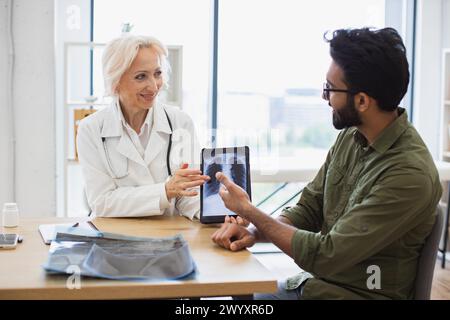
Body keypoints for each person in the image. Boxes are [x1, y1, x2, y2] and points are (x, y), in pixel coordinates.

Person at [211, 27, 443, 299]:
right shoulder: (351, 136)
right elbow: (309, 207)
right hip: (316, 287)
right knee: (240, 295)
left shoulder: (408, 175)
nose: (325, 98)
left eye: (330, 89)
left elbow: (326, 255)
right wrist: (253, 232)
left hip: (357, 294)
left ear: (362, 100)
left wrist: (250, 212)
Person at [77, 35, 209, 218]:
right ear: (115, 82)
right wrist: (165, 191)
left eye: (157, 74)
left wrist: (212, 217)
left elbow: (190, 195)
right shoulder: (90, 129)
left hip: (168, 237)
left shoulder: (180, 122)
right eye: (141, 77)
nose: (154, 86)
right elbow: (101, 202)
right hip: (114, 239)